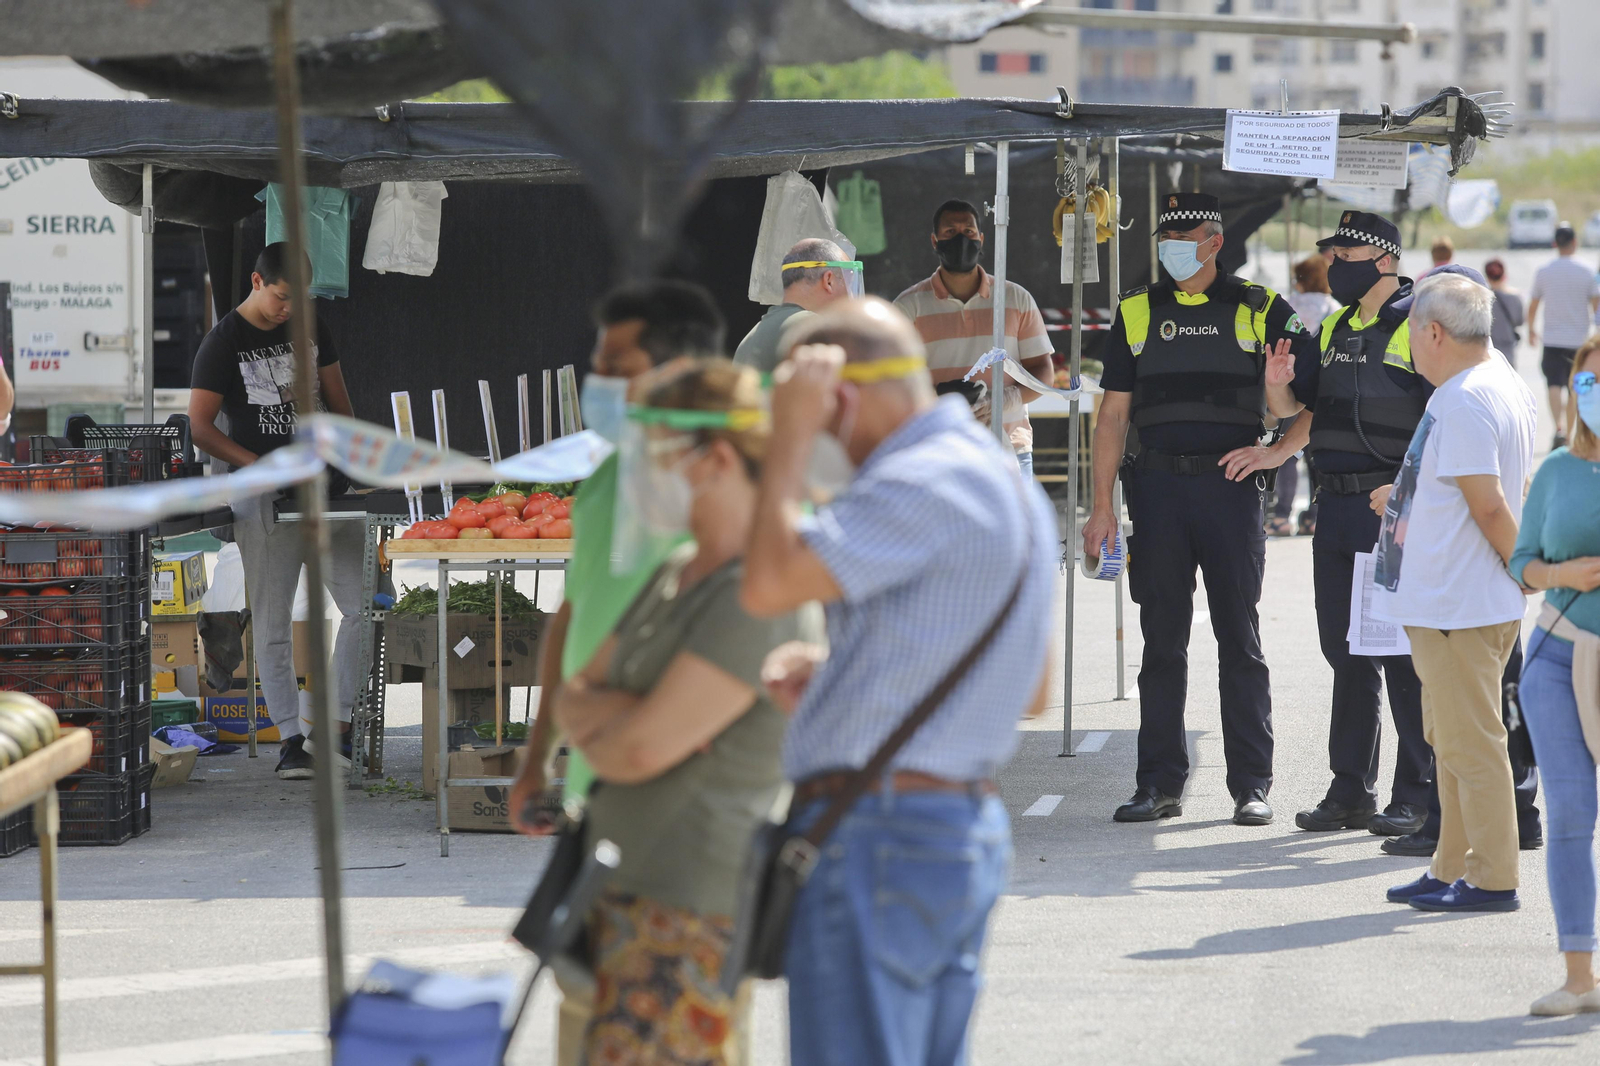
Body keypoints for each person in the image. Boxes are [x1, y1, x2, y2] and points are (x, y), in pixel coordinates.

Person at [741, 298, 1055, 1066]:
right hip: (952, 833)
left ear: (839, 397)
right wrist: (860, 675)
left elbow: (768, 580)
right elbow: (1030, 689)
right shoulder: (1001, 479)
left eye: (819, 421)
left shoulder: (915, 479)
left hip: (880, 837)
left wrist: (783, 441)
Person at [553, 358, 820, 1064]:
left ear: (717, 458)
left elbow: (633, 749)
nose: (638, 471)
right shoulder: (677, 569)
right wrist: (635, 719)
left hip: (688, 910)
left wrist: (619, 729)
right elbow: (575, 692)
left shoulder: (754, 593)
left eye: (656, 452)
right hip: (621, 893)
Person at [507, 279, 726, 1066]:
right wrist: (539, 757)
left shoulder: (720, 481)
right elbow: (577, 612)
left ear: (676, 370)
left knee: (680, 1034)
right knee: (590, 1015)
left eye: (614, 366)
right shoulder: (608, 476)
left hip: (683, 822)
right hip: (600, 799)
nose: (596, 383)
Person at [1081, 192, 1314, 827]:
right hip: (1155, 494)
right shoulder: (1136, 310)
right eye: (1163, 238)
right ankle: (1157, 783)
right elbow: (1113, 417)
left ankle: (1251, 784)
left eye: (1183, 237)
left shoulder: (1260, 306)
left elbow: (1305, 404)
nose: (1170, 248)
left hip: (1228, 492)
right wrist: (1100, 508)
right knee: (1162, 642)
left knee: (1239, 637)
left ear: (1213, 243)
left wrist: (1274, 450)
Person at [1263, 213, 1434, 837]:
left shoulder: (1421, 321)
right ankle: (1350, 789)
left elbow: (1446, 420)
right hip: (1333, 511)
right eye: (1330, 253)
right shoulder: (1335, 323)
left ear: (1384, 256)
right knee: (1346, 651)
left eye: (1346, 250)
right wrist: (1277, 387)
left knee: (1400, 655)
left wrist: (1411, 496)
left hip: (1391, 511)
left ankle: (1416, 793)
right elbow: (1298, 407)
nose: (1336, 262)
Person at [1373, 273, 1537, 913]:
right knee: (1455, 741)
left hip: (1459, 603)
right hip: (1459, 601)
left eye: (1410, 333)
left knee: (1473, 745)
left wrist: (1522, 570)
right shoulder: (1491, 381)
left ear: (1434, 333)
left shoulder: (1467, 398)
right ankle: (1450, 866)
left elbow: (1491, 508)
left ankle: (1494, 877)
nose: (1407, 345)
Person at [187, 243, 364, 781]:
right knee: (272, 622)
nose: (290, 310)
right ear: (257, 281)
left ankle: (335, 725)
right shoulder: (222, 343)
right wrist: (258, 468)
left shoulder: (311, 325)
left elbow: (338, 397)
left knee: (366, 607)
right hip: (263, 498)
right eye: (282, 298)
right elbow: (200, 427)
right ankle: (290, 739)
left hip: (324, 489)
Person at [1510, 342, 1600, 1015]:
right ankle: (1579, 978)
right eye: (1588, 378)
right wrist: (1560, 575)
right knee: (1569, 813)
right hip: (1556, 657)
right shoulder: (1558, 469)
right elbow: (1522, 563)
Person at [893, 198, 1056, 478]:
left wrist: (999, 401)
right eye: (950, 232)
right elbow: (891, 383)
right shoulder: (908, 307)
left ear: (981, 238)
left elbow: (1043, 373)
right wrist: (937, 399)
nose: (960, 239)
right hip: (936, 452)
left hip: (1009, 450)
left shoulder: (1016, 298)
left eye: (968, 232)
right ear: (934, 241)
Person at [1268, 256, 1342, 536]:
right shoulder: (1333, 309)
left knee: (1287, 452)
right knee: (1316, 457)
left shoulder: (1289, 306)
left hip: (1290, 388)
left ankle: (1282, 516)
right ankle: (1313, 515)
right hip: (1323, 391)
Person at [734, 238, 856, 373]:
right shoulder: (815, 330)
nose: (850, 292)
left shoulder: (750, 338)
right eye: (848, 282)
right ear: (829, 281)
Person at [1527, 225, 1600, 449]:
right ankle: (1573, 430)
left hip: (1552, 338)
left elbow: (1534, 303)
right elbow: (1596, 307)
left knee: (1553, 384)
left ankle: (1558, 427)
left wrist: (1531, 328)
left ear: (1555, 243)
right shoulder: (1588, 270)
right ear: (1575, 242)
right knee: (1579, 387)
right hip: (1580, 340)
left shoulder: (1544, 270)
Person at [1484, 258, 1524, 362]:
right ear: (1504, 275)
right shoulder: (1515, 297)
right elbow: (1519, 321)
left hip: (1487, 348)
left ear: (1487, 277)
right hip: (1508, 347)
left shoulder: (1482, 298)